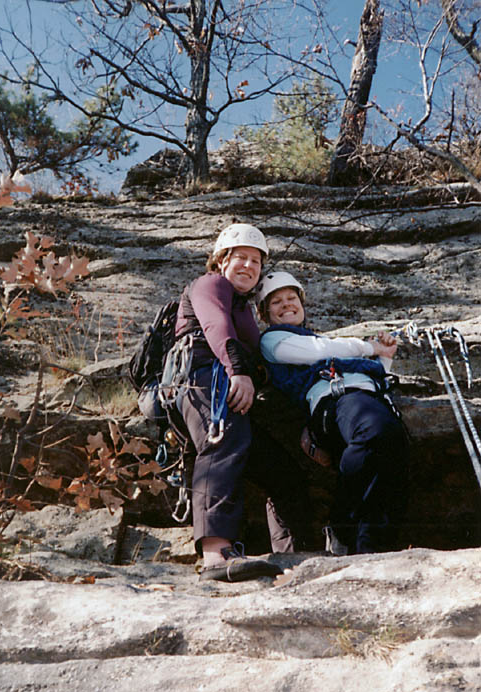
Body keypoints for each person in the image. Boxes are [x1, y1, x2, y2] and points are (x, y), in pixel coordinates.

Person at [174, 225, 312, 582]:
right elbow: (217, 328)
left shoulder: (246, 309)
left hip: (233, 388)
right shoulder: (210, 284)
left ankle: (293, 555)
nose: (249, 266)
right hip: (204, 378)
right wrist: (238, 372)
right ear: (222, 261)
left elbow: (264, 367)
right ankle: (216, 554)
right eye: (241, 258)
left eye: (256, 261)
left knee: (283, 472)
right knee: (223, 442)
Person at [256, 271, 409, 556]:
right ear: (264, 314)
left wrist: (384, 357)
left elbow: (369, 377)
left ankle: (366, 550)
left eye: (292, 298)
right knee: (376, 432)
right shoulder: (274, 340)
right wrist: (367, 347)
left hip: (365, 400)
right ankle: (340, 525)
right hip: (335, 403)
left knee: (390, 454)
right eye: (276, 302)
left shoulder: (319, 343)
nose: (287, 305)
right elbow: (316, 351)